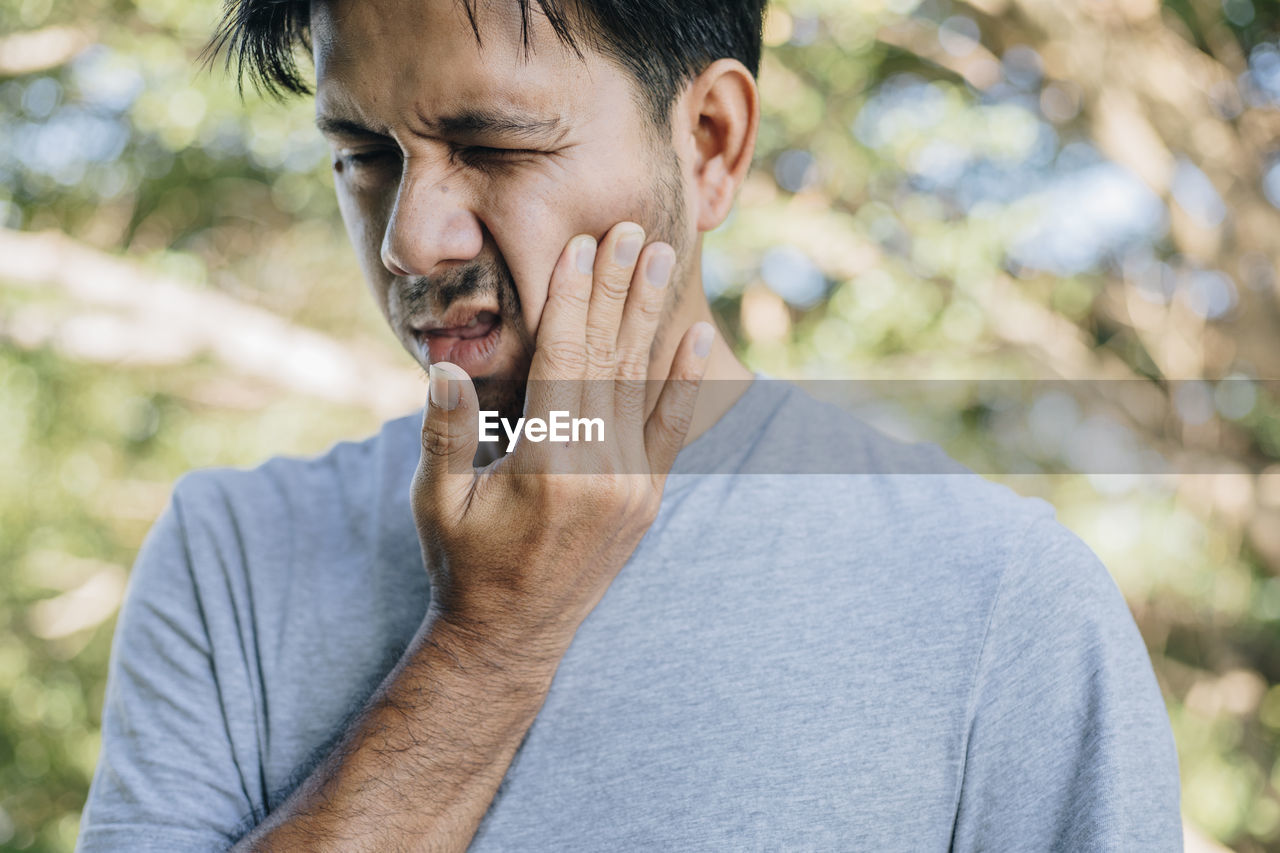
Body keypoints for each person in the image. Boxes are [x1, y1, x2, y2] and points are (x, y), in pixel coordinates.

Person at [76, 0, 1183, 850]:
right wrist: (483, 648)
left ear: (708, 143)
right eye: (365, 156)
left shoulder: (1001, 602)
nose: (409, 241)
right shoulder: (230, 555)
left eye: (494, 144)